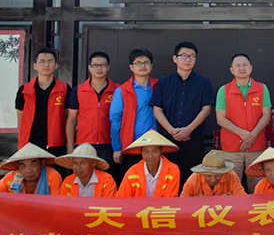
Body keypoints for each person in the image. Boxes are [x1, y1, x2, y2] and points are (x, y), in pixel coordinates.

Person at [150, 41, 215, 187]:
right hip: (168, 140)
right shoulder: (163, 83)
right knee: (168, 181)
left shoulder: (203, 82)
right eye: (184, 55)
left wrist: (188, 130)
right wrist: (172, 131)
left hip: (194, 140)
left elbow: (206, 109)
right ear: (175, 58)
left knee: (192, 181)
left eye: (192, 56)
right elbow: (157, 110)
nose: (188, 59)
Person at [216, 53, 272, 192]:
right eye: (238, 65)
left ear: (251, 68)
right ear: (232, 70)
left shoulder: (262, 88)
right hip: (231, 149)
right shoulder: (224, 90)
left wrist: (251, 136)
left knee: (258, 188)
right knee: (230, 188)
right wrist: (242, 134)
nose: (242, 68)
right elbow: (220, 118)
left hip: (256, 147)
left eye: (245, 65)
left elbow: (266, 115)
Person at [65, 51, 118, 174]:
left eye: (103, 65)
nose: (99, 68)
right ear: (89, 68)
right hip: (83, 145)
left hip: (108, 145)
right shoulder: (78, 90)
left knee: (107, 180)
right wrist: (71, 148)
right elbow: (71, 120)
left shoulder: (117, 90)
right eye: (95, 65)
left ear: (108, 67)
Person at [110, 49, 158, 181]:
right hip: (132, 145)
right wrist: (117, 148)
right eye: (138, 63)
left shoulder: (159, 86)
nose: (143, 66)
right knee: (131, 182)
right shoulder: (122, 91)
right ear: (131, 67)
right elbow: (115, 121)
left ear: (151, 66)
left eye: (146, 62)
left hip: (156, 144)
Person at [16, 48, 71, 156]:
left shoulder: (64, 89)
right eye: (42, 61)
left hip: (56, 144)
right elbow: (21, 118)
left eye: (50, 61)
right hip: (30, 144)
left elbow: (67, 117)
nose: (46, 65)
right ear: (35, 66)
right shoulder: (24, 90)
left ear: (56, 65)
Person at [116, 130, 181, 197]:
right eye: (146, 152)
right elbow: (122, 199)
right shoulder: (132, 172)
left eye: (154, 151)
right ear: (141, 152)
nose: (150, 156)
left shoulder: (173, 170)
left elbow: (170, 199)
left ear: (161, 150)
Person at [180, 150, 246, 197]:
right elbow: (183, 203)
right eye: (209, 175)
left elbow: (241, 200)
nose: (213, 180)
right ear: (202, 173)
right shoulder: (193, 179)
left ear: (224, 173)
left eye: (218, 175)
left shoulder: (231, 176)